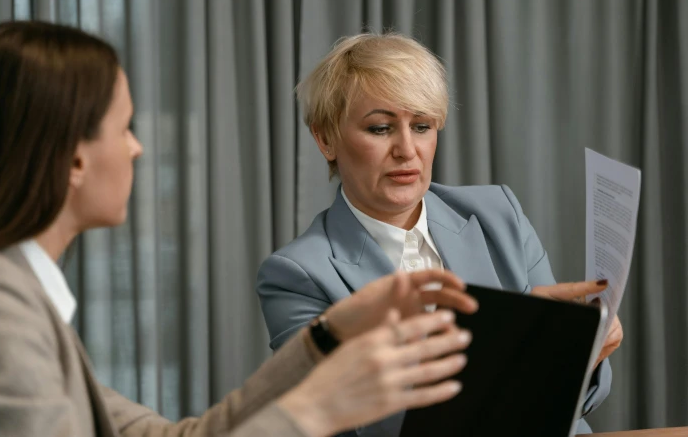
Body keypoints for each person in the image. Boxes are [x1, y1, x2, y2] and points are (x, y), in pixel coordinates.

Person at [0, 22, 481, 437]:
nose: (137, 148)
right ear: (72, 159)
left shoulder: (11, 297)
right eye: (124, 127)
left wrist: (326, 338)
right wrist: (318, 410)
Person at [257, 32, 624, 435]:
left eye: (421, 125)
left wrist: (583, 352)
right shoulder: (296, 275)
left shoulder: (498, 213)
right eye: (380, 128)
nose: (406, 149)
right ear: (326, 139)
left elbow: (580, 404)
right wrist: (522, 354)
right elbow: (359, 425)